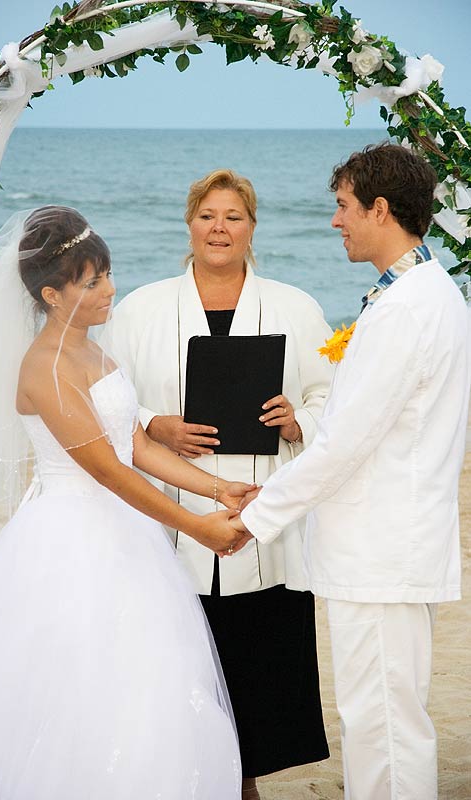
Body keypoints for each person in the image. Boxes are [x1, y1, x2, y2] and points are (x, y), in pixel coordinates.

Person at [0, 206, 250, 799]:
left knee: (148, 683)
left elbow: (131, 443)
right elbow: (105, 469)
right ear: (52, 294)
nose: (110, 289)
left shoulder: (92, 350)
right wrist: (195, 525)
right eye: (92, 282)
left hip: (125, 531)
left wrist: (215, 488)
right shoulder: (46, 368)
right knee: (81, 689)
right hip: (70, 539)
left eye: (107, 274)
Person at [226, 143, 471, 800]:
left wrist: (252, 517)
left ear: (380, 209)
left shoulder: (405, 310)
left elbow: (344, 447)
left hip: (381, 552)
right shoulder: (428, 291)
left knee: (383, 729)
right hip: (395, 545)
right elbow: (375, 421)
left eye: (342, 207)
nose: (334, 221)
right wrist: (305, 425)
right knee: (386, 721)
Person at [103, 169, 333, 798]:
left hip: (263, 509)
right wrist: (158, 425)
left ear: (253, 227)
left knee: (257, 661)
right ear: (189, 223)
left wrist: (298, 420)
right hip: (174, 507)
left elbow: (329, 395)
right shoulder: (142, 308)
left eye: (234, 216)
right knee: (179, 657)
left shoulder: (295, 306)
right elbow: (108, 402)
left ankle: (246, 780)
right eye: (208, 215)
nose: (220, 228)